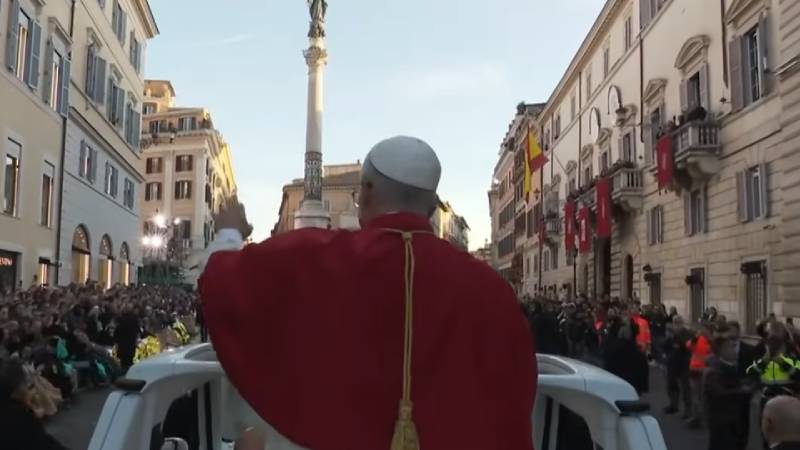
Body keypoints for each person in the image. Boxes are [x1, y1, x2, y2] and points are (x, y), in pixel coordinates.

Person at [198, 136, 537, 450]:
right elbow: (512, 390)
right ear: (433, 208)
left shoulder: (315, 257)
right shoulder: (489, 288)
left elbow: (223, 281)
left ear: (368, 192)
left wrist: (230, 231)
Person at [0, 358, 71, 450]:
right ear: (15, 388)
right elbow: (43, 443)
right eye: (24, 382)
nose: (27, 386)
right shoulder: (21, 416)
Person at [704, 334, 755, 450]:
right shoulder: (714, 370)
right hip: (723, 422)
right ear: (721, 351)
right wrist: (743, 391)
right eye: (730, 347)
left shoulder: (730, 367)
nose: (734, 350)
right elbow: (718, 392)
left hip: (734, 421)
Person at [662, 315, 692, 417]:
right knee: (671, 386)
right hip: (672, 364)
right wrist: (669, 337)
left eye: (679, 322)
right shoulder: (671, 335)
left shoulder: (687, 334)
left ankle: (688, 411)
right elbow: (665, 346)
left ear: (682, 323)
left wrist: (677, 335)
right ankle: (673, 405)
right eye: (675, 323)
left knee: (685, 389)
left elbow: (686, 346)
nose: (676, 325)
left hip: (684, 365)